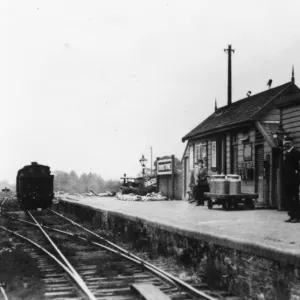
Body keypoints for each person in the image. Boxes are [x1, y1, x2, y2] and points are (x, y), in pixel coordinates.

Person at [283, 139, 300, 223]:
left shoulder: (296, 152)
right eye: (285, 143)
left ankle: (297, 217)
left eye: (288, 143)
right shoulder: (286, 153)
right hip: (287, 179)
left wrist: (296, 171)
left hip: (293, 179)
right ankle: (291, 215)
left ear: (292, 143)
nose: (286, 145)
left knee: (294, 198)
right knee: (288, 198)